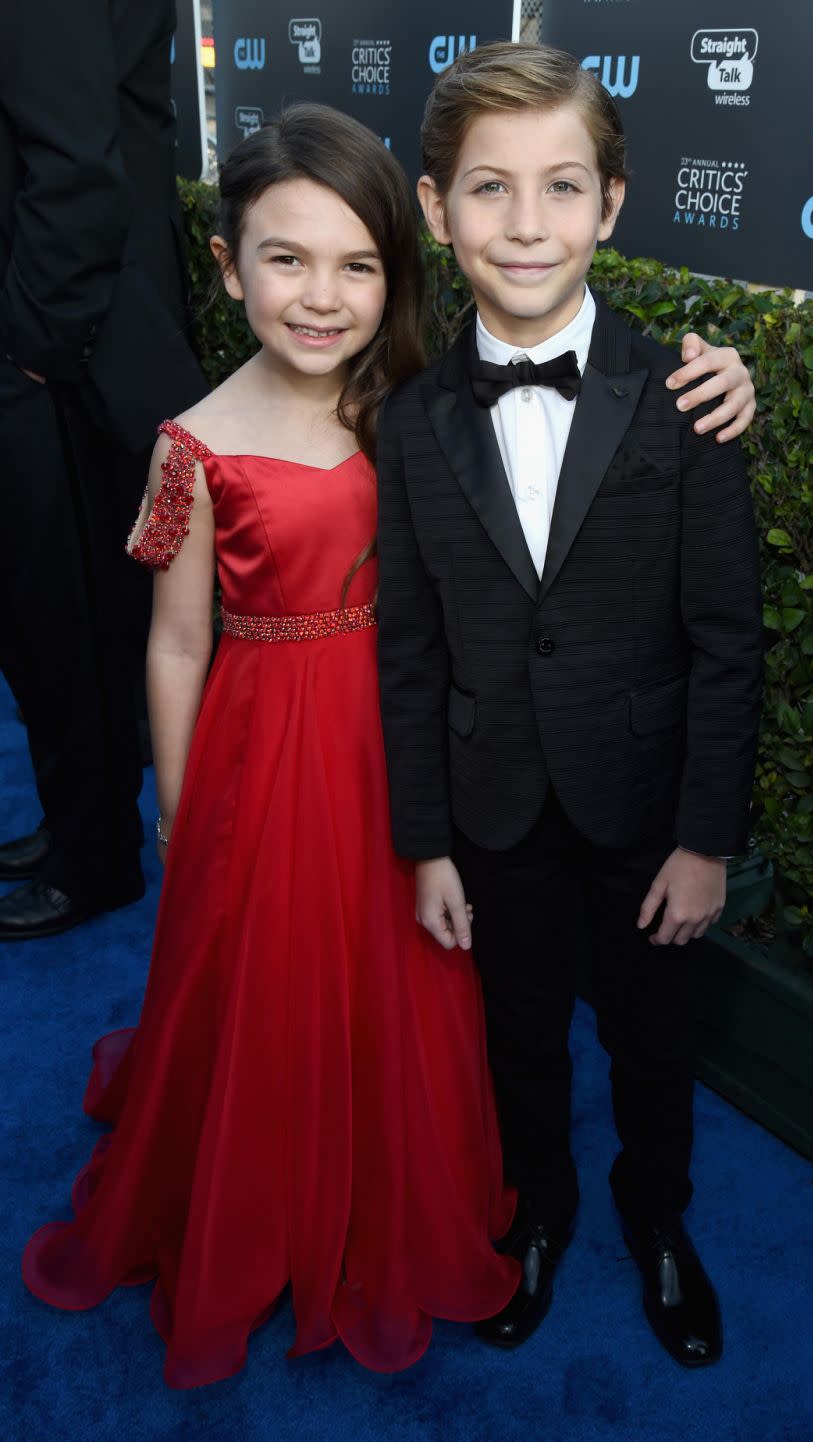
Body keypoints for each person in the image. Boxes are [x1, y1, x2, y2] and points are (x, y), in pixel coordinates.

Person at [22, 104, 522, 1388]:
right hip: (259, 750)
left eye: (358, 264)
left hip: (388, 734)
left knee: (394, 960)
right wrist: (178, 814)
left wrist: (722, 372)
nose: (322, 296)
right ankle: (256, 1198)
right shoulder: (192, 445)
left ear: (393, 279)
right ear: (227, 262)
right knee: (258, 968)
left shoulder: (410, 400)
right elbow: (178, 645)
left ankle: (382, 1184)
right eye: (287, 259)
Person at [376, 43, 764, 1369]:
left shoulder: (690, 398)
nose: (524, 225)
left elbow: (726, 641)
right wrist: (424, 837)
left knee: (657, 1041)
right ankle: (536, 1214)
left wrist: (707, 840)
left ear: (612, 204)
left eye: (559, 187)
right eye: (489, 188)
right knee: (518, 1035)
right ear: (437, 210)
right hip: (490, 805)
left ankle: (658, 1219)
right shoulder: (412, 422)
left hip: (650, 808)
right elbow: (410, 648)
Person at [0, 0, 208, 938]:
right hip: (81, 332)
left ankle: (94, 857)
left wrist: (32, 344)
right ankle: (84, 829)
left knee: (59, 614)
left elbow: (77, 167)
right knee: (72, 611)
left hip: (62, 343)